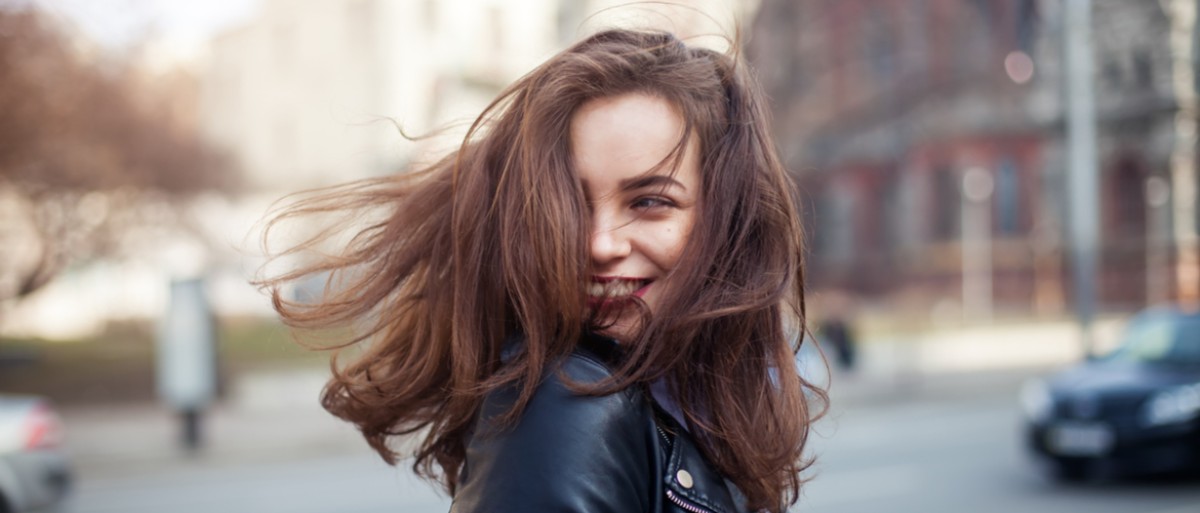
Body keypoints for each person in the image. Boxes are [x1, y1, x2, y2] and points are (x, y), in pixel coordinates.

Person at [261, 28, 825, 513]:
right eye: (570, 205)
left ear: (727, 222)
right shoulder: (570, 408)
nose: (600, 244)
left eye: (649, 202)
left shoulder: (680, 400)